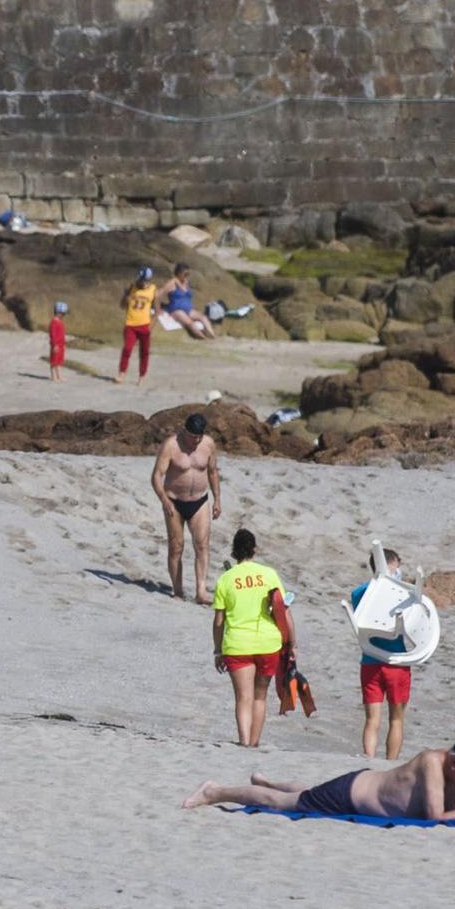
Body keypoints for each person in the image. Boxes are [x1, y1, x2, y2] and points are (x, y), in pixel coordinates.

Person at [182, 736, 455, 821]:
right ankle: (215, 792)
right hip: (350, 795)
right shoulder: (432, 763)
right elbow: (436, 818)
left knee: (306, 793)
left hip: (358, 786)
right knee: (281, 804)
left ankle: (268, 780)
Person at [211, 527, 285, 747]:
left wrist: (217, 650)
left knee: (243, 698)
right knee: (260, 697)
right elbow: (281, 607)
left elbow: (218, 621)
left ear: (234, 551)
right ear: (254, 549)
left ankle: (243, 741)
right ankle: (254, 742)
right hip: (267, 641)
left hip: (237, 643)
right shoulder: (269, 574)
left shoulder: (226, 579)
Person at [151, 412, 222, 603]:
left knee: (202, 545)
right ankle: (178, 590)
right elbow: (157, 476)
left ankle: (201, 592)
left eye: (199, 436)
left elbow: (213, 472)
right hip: (174, 502)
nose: (196, 441)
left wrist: (217, 499)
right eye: (192, 436)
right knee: (176, 547)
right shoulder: (171, 445)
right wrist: (164, 500)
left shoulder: (207, 444)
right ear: (184, 431)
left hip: (199, 501)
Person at [351, 547, 412, 760]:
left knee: (371, 720)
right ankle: (390, 764)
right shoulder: (401, 593)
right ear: (389, 566)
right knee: (396, 719)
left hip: (370, 661)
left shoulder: (358, 593)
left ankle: (369, 760)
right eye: (397, 566)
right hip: (396, 661)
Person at [117, 266, 157, 385]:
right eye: (140, 280)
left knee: (144, 352)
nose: (141, 283)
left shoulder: (153, 290)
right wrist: (126, 297)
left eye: (144, 281)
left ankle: (142, 376)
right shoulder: (132, 287)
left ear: (148, 280)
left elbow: (157, 309)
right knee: (127, 349)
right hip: (131, 324)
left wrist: (152, 325)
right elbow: (122, 306)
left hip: (145, 325)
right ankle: (122, 373)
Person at [164, 263, 216, 339]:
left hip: (188, 310)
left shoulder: (186, 282)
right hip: (177, 310)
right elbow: (159, 294)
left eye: (188, 274)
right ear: (179, 273)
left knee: (203, 317)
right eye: (185, 274)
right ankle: (204, 339)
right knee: (190, 323)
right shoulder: (172, 283)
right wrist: (158, 309)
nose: (187, 276)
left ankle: (213, 337)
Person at [48, 301, 68, 382]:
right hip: (56, 345)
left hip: (61, 344)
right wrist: (54, 345)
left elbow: (62, 334)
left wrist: (64, 344)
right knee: (54, 361)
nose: (64, 315)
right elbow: (53, 335)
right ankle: (53, 377)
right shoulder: (54, 323)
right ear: (59, 313)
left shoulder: (60, 322)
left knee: (59, 361)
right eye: (63, 314)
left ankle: (59, 376)